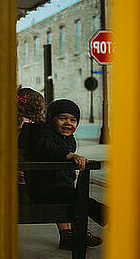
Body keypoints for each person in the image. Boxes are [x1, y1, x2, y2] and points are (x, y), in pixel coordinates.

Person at [19, 99, 105, 250]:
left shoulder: (68, 139)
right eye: (62, 118)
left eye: (73, 120)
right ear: (51, 119)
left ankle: (78, 233)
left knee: (77, 198)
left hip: (58, 187)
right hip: (42, 189)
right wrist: (70, 156)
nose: (68, 123)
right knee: (79, 198)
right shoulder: (42, 133)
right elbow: (49, 148)